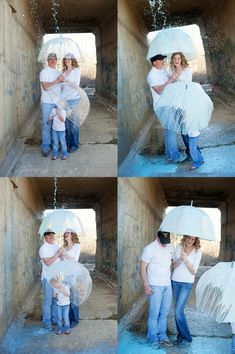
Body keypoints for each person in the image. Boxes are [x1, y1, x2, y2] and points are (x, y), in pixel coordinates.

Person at [147, 54, 187, 163]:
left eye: (163, 59)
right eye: (161, 60)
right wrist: (170, 80)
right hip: (162, 106)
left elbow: (172, 79)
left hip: (169, 103)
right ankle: (175, 157)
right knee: (172, 129)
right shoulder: (152, 75)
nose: (163, 61)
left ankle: (169, 155)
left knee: (170, 130)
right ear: (155, 62)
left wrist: (175, 75)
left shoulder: (163, 70)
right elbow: (159, 90)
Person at [169, 52, 204, 170]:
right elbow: (171, 87)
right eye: (174, 58)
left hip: (186, 99)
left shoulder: (187, 70)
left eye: (178, 58)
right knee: (183, 131)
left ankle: (195, 154)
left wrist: (176, 77)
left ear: (181, 59)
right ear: (172, 60)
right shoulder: (171, 71)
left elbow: (187, 85)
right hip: (176, 102)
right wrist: (173, 77)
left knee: (190, 128)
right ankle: (191, 151)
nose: (176, 60)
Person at [140, 231, 174, 349]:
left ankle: (162, 337)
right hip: (154, 286)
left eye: (166, 242)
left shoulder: (170, 247)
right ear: (157, 237)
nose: (165, 244)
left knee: (164, 313)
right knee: (154, 314)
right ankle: (152, 338)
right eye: (163, 242)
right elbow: (143, 267)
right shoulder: (149, 249)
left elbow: (170, 263)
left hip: (167, 286)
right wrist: (146, 285)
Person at [171, 235, 202, 348]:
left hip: (186, 284)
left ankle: (187, 338)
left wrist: (185, 259)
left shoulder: (198, 251)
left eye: (193, 239)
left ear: (195, 240)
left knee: (179, 311)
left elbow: (193, 271)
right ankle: (180, 337)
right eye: (188, 238)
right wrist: (180, 258)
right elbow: (173, 265)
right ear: (185, 237)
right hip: (175, 281)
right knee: (176, 311)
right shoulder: (179, 247)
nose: (190, 240)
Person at [39, 53, 64, 157]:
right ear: (47, 61)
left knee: (57, 125)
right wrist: (57, 80)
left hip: (57, 102)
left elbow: (61, 88)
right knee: (46, 125)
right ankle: (46, 146)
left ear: (56, 60)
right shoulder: (44, 72)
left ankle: (55, 145)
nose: (53, 60)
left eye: (54, 59)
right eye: (50, 59)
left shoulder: (59, 72)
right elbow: (45, 86)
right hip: (47, 102)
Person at [39, 229, 63, 330]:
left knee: (56, 300)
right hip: (48, 278)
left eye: (52, 235)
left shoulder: (56, 246)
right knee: (48, 301)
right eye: (49, 236)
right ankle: (47, 323)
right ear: (45, 237)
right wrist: (57, 254)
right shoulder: (43, 248)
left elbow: (60, 260)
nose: (51, 237)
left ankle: (54, 320)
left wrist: (61, 253)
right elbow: (48, 263)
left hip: (57, 278)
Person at [61, 53, 81, 153]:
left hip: (74, 99)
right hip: (65, 100)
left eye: (69, 59)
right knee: (66, 124)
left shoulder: (76, 71)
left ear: (73, 60)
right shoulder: (63, 72)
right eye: (66, 59)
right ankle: (68, 144)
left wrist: (65, 80)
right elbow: (62, 87)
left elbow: (76, 85)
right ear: (64, 61)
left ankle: (75, 145)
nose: (67, 61)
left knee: (73, 123)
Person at [62, 228, 81, 327]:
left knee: (74, 297)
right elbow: (62, 262)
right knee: (66, 296)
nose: (65, 234)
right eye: (65, 233)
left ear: (72, 235)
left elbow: (75, 261)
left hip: (73, 274)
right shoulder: (63, 247)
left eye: (68, 233)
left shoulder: (77, 246)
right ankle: (68, 318)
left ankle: (75, 319)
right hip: (65, 274)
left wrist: (65, 255)